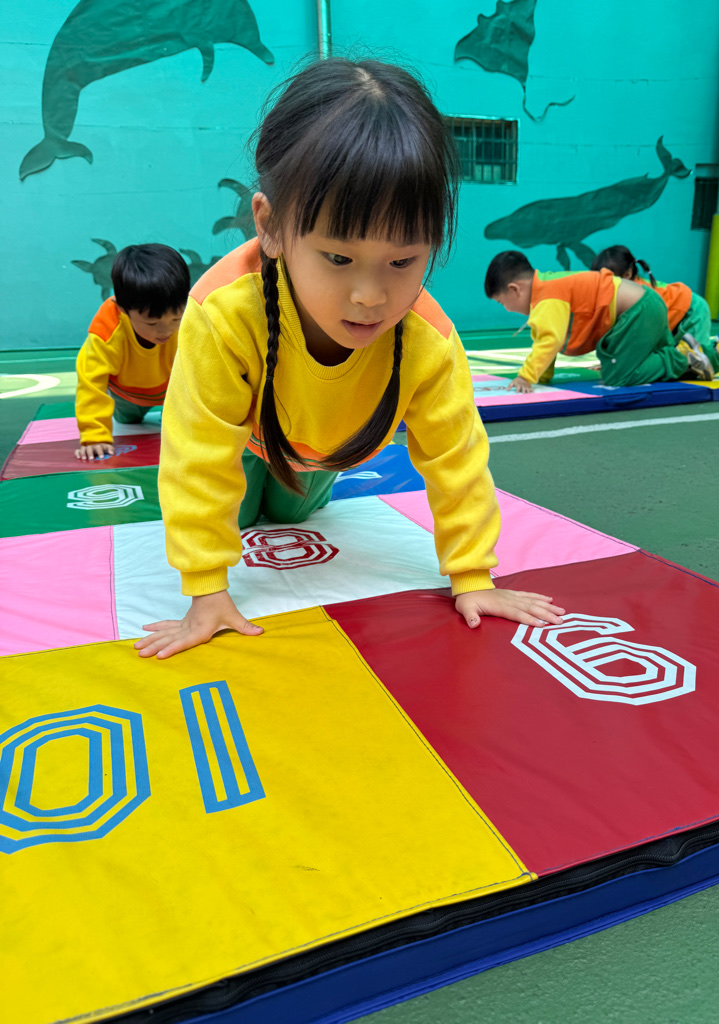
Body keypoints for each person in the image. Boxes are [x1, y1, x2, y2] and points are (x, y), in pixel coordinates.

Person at [135, 59, 566, 660]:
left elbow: (457, 458)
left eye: (402, 262)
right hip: (251, 440)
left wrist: (472, 574)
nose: (370, 296)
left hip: (323, 455)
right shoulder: (223, 312)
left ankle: (295, 485)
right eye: (338, 259)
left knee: (290, 515)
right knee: (239, 511)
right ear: (270, 226)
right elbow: (195, 456)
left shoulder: (429, 341)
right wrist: (206, 588)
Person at [485, 251, 719, 393]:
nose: (506, 309)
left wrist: (526, 377)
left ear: (515, 290)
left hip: (639, 311)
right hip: (646, 306)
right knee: (650, 364)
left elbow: (550, 341)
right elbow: (549, 341)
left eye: (501, 302)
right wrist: (543, 376)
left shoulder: (545, 298)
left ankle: (682, 355)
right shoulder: (550, 284)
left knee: (618, 374)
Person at [74, 244, 189, 460]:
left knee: (181, 426)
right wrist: (95, 436)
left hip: (175, 391)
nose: (166, 330)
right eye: (152, 323)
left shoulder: (192, 316)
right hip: (127, 395)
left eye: (176, 319)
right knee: (127, 420)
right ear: (123, 308)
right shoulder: (107, 330)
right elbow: (91, 383)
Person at [590, 244, 712, 348]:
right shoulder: (621, 292)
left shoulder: (637, 295)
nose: (604, 286)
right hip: (671, 315)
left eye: (609, 279)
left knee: (698, 357)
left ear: (627, 274)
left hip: (692, 310)